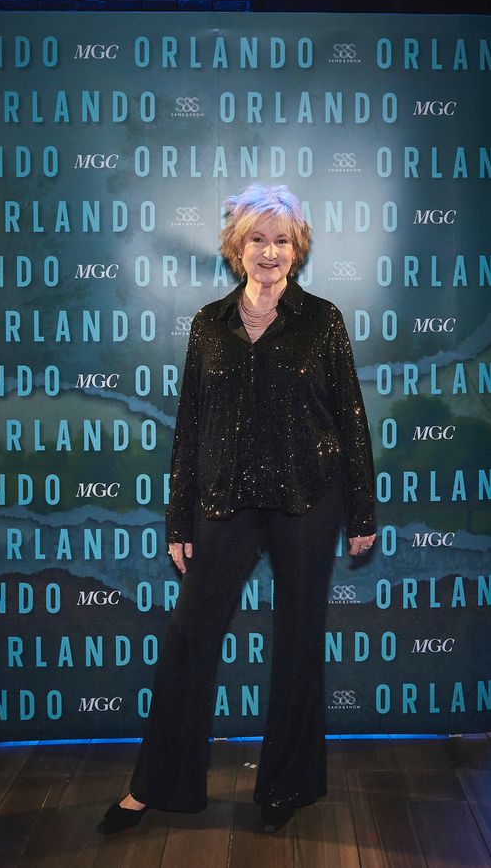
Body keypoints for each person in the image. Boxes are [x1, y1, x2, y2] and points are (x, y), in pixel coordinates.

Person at [97, 183, 377, 836]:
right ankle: (155, 786)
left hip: (310, 495)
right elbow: (190, 426)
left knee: (298, 642)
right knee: (189, 636)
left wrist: (362, 510)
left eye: (282, 240)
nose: (270, 251)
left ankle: (286, 784)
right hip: (226, 498)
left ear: (296, 249)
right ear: (237, 246)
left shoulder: (322, 320)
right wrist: (177, 520)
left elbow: (352, 418)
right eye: (258, 238)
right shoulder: (208, 324)